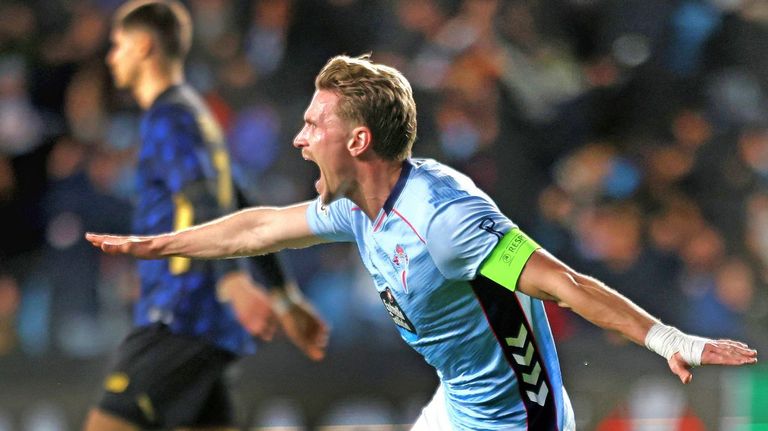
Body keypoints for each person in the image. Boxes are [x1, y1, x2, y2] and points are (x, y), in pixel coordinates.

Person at [86, 53, 758, 430]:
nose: (298, 139)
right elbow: (257, 227)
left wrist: (669, 339)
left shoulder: (446, 220)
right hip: (457, 403)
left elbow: (567, 285)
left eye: (312, 124)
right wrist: (162, 242)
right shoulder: (355, 204)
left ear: (358, 142)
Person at [84, 1, 328, 430]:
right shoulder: (194, 116)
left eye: (118, 44)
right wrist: (281, 295)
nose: (111, 56)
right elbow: (240, 205)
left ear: (143, 46)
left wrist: (232, 281)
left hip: (179, 313)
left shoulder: (170, 117)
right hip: (208, 325)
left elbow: (204, 200)